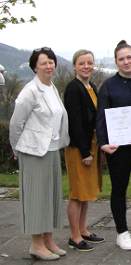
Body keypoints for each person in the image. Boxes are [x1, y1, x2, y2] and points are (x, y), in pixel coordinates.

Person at [9, 47, 69, 261]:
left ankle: (48, 239)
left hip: (51, 149)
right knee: (36, 199)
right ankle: (36, 244)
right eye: (43, 63)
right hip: (33, 152)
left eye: (51, 62)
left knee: (50, 197)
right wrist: (17, 148)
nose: (48, 66)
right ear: (35, 66)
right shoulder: (30, 91)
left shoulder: (51, 87)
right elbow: (16, 124)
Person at [96, 40, 131, 250]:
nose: (126, 62)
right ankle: (121, 232)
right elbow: (101, 117)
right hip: (118, 147)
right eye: (121, 59)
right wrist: (103, 144)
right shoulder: (108, 86)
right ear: (116, 62)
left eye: (129, 57)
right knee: (119, 189)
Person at [64, 50, 104, 252]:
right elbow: (75, 124)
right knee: (77, 193)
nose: (86, 66)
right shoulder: (73, 89)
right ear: (74, 66)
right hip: (80, 148)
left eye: (89, 62)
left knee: (86, 193)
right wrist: (84, 151)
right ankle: (74, 236)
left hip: (93, 145)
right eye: (82, 63)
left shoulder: (91, 87)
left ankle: (83, 230)